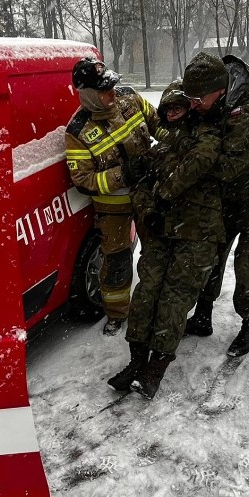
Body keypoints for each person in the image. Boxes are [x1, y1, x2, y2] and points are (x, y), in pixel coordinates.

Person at [107, 83, 224, 399]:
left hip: (197, 234)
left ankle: (155, 369)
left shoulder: (209, 142)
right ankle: (136, 361)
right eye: (168, 110)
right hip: (162, 234)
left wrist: (165, 195)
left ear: (190, 110)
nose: (173, 115)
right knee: (146, 293)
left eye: (179, 108)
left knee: (174, 297)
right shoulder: (157, 151)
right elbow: (141, 189)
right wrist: (149, 213)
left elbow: (197, 180)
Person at [181, 52, 249, 357]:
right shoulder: (216, 100)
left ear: (219, 90)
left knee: (246, 263)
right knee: (212, 253)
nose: (194, 104)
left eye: (198, 99)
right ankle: (203, 316)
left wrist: (184, 165)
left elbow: (225, 166)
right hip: (233, 197)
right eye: (189, 98)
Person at [65, 57, 164, 335]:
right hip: (113, 207)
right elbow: (83, 181)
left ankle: (156, 304)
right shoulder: (77, 132)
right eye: (103, 89)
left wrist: (171, 150)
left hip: (150, 194)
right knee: (116, 261)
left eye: (111, 85)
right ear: (87, 95)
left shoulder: (128, 97)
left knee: (157, 252)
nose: (111, 92)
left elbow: (158, 123)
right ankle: (117, 314)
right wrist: (123, 174)